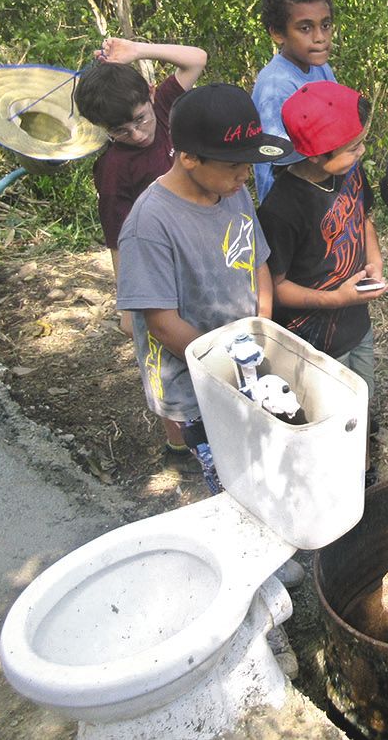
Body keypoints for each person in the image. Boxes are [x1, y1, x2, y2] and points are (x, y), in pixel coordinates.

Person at [115, 83, 289, 494]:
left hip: (245, 364)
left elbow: (257, 261)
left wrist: (261, 328)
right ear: (189, 157)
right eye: (234, 167)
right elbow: (162, 324)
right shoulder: (150, 226)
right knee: (230, 478)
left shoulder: (231, 192)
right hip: (195, 381)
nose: (245, 176)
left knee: (261, 460)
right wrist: (230, 367)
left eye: (247, 166)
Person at [73, 35, 207, 454]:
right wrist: (128, 302)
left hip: (198, 247)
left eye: (139, 118)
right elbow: (118, 239)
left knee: (200, 335)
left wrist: (137, 51)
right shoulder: (113, 169)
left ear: (150, 98)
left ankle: (211, 420)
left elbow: (196, 59)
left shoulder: (167, 108)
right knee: (165, 357)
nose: (136, 132)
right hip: (156, 264)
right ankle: (179, 446)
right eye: (121, 130)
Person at [257, 81, 386, 477]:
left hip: (355, 323)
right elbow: (276, 287)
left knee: (361, 397)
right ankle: (336, 478)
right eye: (352, 148)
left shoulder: (349, 171)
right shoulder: (281, 208)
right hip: (314, 340)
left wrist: (375, 261)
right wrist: (337, 299)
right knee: (327, 416)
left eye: (361, 143)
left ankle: (362, 474)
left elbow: (363, 218)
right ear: (313, 156)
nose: (361, 152)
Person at [251, 0, 337, 201]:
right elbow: (281, 155)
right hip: (289, 205)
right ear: (278, 33)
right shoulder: (275, 86)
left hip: (321, 195)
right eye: (305, 28)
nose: (320, 37)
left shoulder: (320, 68)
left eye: (326, 25)